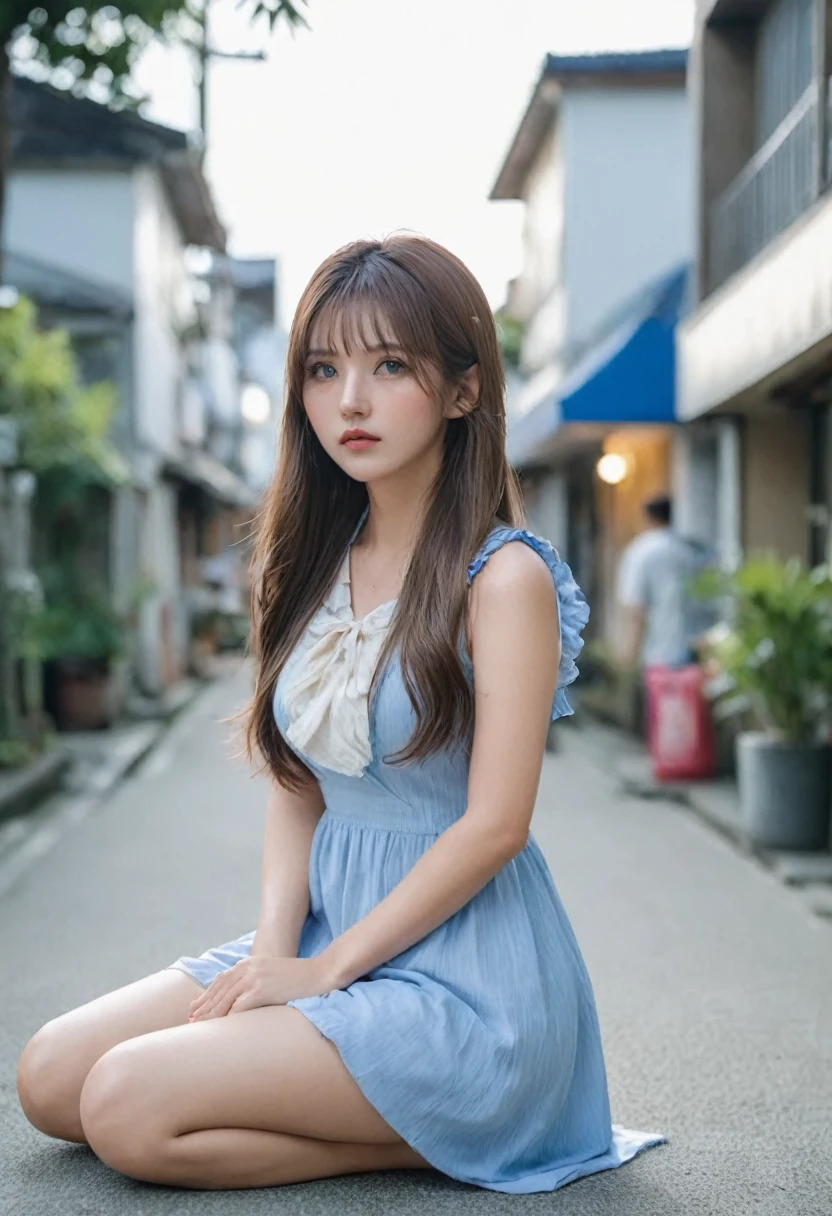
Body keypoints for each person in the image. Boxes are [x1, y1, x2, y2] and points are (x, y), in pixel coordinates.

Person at [16, 235, 665, 1194]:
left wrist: (325, 978)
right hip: (325, 934)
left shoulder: (506, 579)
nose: (349, 400)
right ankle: (419, 1120)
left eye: (389, 365)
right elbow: (298, 782)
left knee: (126, 1107)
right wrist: (281, 951)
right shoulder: (309, 564)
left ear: (462, 390)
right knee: (52, 1081)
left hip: (468, 983)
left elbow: (497, 825)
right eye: (324, 369)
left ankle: (495, 1121)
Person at [617, 493, 709, 671]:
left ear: (647, 517)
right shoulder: (688, 549)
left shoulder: (640, 551)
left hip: (658, 655)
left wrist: (629, 656)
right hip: (694, 652)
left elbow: (636, 608)